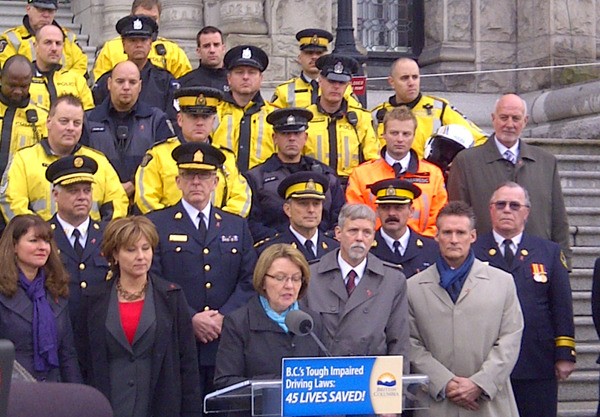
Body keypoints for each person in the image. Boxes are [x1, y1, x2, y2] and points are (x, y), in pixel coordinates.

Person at [146, 142, 256, 405]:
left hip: (226, 341)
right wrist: (191, 317)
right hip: (178, 339)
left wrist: (223, 318)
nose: (196, 182)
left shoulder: (236, 226)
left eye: (204, 175)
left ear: (216, 181)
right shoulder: (157, 224)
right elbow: (153, 278)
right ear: (178, 181)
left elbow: (250, 279)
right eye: (189, 175)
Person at [76, 216, 202, 417]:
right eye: (131, 250)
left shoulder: (171, 296)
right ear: (115, 254)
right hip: (108, 404)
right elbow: (82, 359)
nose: (141, 256)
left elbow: (187, 364)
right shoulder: (93, 299)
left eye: (146, 248)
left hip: (159, 405)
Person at [408, 201, 524, 417]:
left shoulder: (502, 282)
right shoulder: (413, 287)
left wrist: (480, 383)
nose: (453, 239)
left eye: (460, 232)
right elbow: (410, 343)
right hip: (436, 402)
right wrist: (443, 382)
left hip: (488, 403)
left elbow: (510, 338)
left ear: (472, 236)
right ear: (436, 235)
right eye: (447, 232)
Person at [472, 182, 575, 417]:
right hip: (484, 361)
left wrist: (565, 353)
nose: (507, 210)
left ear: (526, 212)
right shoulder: (473, 250)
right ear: (490, 209)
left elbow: (561, 305)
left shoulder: (548, 251)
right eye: (501, 204)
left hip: (536, 359)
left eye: (514, 205)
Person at [447, 93, 572, 267]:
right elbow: (456, 216)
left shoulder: (546, 162)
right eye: (504, 117)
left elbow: (558, 219)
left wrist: (563, 263)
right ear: (493, 119)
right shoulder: (466, 162)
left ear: (525, 121)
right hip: (483, 264)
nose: (509, 124)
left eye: (516, 118)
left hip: (537, 266)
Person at [302, 204, 410, 367]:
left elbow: (399, 342)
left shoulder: (392, 280)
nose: (360, 238)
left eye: (366, 232)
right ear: (338, 233)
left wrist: (398, 389)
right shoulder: (311, 276)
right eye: (353, 231)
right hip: (323, 379)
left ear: (373, 237)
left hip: (372, 379)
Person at [0, 94, 128, 222]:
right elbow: (12, 202)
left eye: (77, 123)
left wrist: (103, 233)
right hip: (41, 239)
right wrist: (39, 235)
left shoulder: (99, 161)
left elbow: (117, 202)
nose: (71, 128)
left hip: (93, 240)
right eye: (64, 121)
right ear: (48, 122)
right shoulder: (24, 160)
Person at [214, 243, 324, 388]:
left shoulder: (311, 321)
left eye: (296, 278)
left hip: (302, 410)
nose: (289, 286)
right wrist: (278, 385)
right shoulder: (238, 322)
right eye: (280, 278)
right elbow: (225, 382)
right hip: (257, 409)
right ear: (263, 280)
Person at [135, 86, 251, 217]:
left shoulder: (225, 157)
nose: (200, 122)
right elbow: (145, 197)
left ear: (213, 121)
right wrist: (170, 222)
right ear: (180, 119)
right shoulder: (158, 154)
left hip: (217, 230)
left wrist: (218, 222)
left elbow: (241, 197)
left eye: (205, 117)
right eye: (193, 116)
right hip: (170, 231)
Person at [0, 214, 81, 382]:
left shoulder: (56, 289)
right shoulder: (3, 291)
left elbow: (67, 355)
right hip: (12, 392)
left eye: (46, 241)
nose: (43, 247)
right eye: (34, 241)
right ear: (14, 246)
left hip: (52, 391)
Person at [245, 107, 345, 242]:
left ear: (305, 137)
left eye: (297, 133)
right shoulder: (256, 177)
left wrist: (323, 240)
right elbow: (251, 223)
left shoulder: (326, 175)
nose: (291, 138)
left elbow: (340, 217)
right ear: (274, 138)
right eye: (286, 133)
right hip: (275, 249)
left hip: (322, 250)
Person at [346, 105, 447, 237]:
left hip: (421, 248)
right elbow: (355, 218)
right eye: (394, 133)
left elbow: (440, 219)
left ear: (414, 136)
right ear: (383, 134)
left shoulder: (433, 174)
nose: (400, 139)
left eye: (406, 134)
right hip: (374, 249)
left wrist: (421, 245)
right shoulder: (361, 174)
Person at [85, 60, 175, 200]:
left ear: (140, 86)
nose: (126, 87)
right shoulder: (88, 120)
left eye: (132, 82)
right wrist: (112, 187)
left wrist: (134, 183)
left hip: (143, 206)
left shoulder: (156, 120)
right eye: (120, 81)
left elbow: (165, 164)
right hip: (101, 204)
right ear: (109, 84)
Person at [371, 57, 486, 158]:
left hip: (431, 177)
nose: (411, 83)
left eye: (415, 77)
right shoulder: (376, 115)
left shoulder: (439, 108)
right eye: (405, 78)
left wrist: (458, 161)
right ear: (391, 82)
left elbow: (480, 140)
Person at [45, 155, 109, 326]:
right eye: (73, 191)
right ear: (55, 195)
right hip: (59, 328)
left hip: (100, 329)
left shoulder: (108, 235)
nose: (82, 197)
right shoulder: (44, 237)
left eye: (87, 190)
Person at [304, 54, 379, 183]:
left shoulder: (361, 118)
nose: (336, 86)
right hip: (313, 187)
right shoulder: (306, 117)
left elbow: (372, 161)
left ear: (348, 85)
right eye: (331, 81)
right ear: (320, 80)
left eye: (342, 82)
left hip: (351, 188)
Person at [92, 15, 178, 122]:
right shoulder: (106, 81)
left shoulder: (165, 81)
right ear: (123, 44)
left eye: (143, 40)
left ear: (150, 43)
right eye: (132, 40)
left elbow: (173, 121)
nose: (138, 45)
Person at [212, 45, 276, 174]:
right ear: (229, 78)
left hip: (263, 187)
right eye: (239, 72)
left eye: (252, 72)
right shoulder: (214, 113)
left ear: (261, 79)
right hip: (223, 186)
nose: (245, 77)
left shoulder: (274, 116)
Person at [92, 0, 192, 80]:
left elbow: (185, 85)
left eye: (153, 19)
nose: (146, 23)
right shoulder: (111, 49)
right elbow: (101, 86)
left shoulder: (173, 51)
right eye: (142, 18)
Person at [255, 171, 340, 261]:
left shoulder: (336, 249)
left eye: (316, 204)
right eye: (303, 204)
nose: (311, 210)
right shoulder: (270, 251)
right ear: (288, 209)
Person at [271, 28, 359, 109]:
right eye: (309, 53)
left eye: (319, 53)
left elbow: (357, 116)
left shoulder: (343, 89)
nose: (314, 57)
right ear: (299, 57)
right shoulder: (284, 91)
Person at [368, 178, 438, 278]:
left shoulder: (432, 249)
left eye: (398, 207)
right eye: (385, 207)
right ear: (377, 211)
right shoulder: (366, 248)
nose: (391, 213)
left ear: (411, 211)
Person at [0, 0, 88, 77]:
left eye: (50, 11)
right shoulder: (12, 39)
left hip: (65, 92)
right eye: (40, 9)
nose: (46, 15)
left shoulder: (68, 38)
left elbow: (81, 67)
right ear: (28, 9)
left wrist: (62, 82)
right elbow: (6, 74)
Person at [0, 54, 48, 179]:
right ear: (1, 79)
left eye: (23, 87)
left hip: (20, 190)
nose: (17, 91)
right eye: (12, 85)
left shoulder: (42, 118)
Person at [29, 25, 94, 111]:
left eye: (58, 43)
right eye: (48, 42)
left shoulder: (77, 80)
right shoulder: (24, 79)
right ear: (35, 46)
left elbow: (88, 116)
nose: (54, 48)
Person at [177, 26, 228, 92]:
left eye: (216, 45)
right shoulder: (186, 83)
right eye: (206, 46)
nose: (212, 50)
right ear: (198, 51)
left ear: (223, 48)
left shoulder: (235, 81)